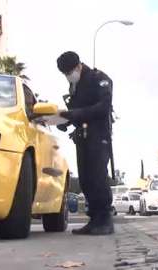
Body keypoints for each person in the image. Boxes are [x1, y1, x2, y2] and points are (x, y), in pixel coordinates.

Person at [56, 51, 114, 235]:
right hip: (82, 135)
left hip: (99, 133)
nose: (68, 76)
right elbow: (76, 111)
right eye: (64, 74)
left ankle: (105, 219)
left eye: (69, 71)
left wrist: (77, 114)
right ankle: (94, 219)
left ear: (79, 65)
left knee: (98, 177)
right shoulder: (74, 86)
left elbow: (104, 106)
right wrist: (63, 121)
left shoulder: (99, 78)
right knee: (86, 179)